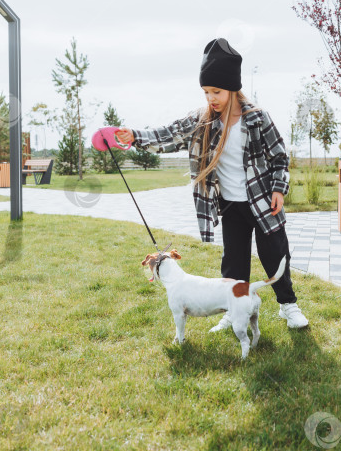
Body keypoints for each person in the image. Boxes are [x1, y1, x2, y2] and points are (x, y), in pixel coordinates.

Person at [115, 38, 309, 329]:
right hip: (230, 205)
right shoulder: (202, 120)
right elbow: (168, 135)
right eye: (206, 92)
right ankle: (233, 310)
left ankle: (288, 306)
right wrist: (135, 136)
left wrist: (280, 189)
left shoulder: (257, 118)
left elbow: (280, 157)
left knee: (275, 253)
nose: (211, 98)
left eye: (216, 91)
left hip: (263, 201)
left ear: (233, 87)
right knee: (234, 262)